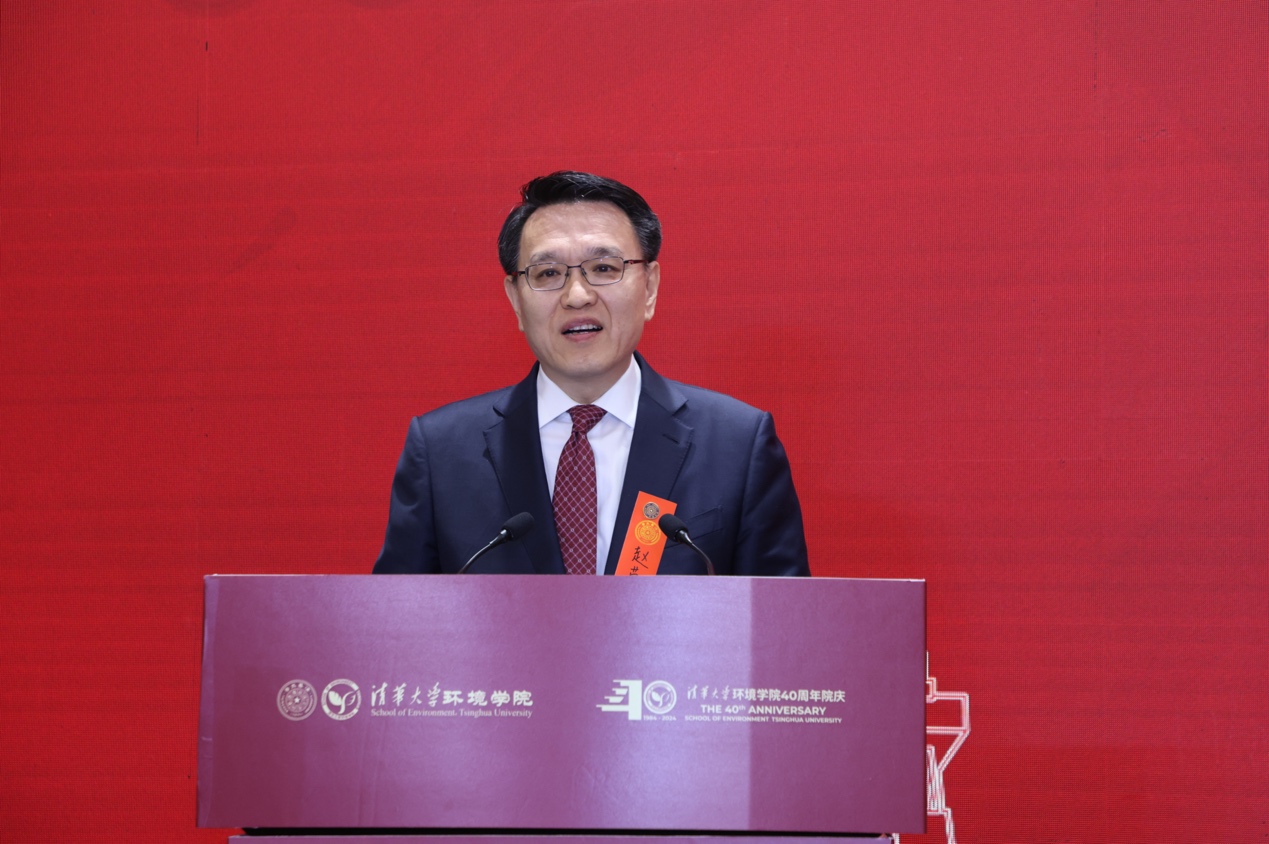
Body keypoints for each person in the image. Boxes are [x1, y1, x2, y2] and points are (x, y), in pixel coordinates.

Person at [372, 171, 808, 576]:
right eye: (548, 273)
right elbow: (397, 621)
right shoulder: (440, 453)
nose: (577, 296)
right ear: (515, 299)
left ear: (650, 287)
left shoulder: (738, 445)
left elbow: (781, 622)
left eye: (604, 269)